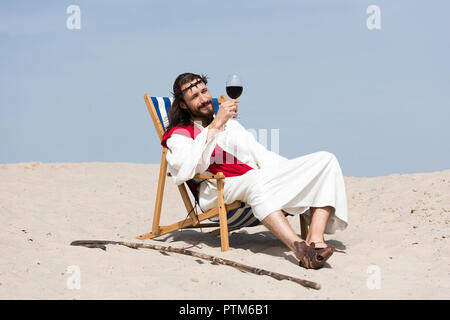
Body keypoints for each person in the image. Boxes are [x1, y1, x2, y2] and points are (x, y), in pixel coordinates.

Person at [161, 72, 348, 269]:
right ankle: (300, 249)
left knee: (326, 160)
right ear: (183, 105)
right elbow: (187, 167)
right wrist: (216, 125)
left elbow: (258, 154)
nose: (204, 99)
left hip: (254, 178)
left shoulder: (230, 125)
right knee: (255, 180)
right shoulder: (179, 135)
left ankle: (316, 239)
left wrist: (291, 172)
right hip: (219, 189)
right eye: (195, 96)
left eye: (204, 91)